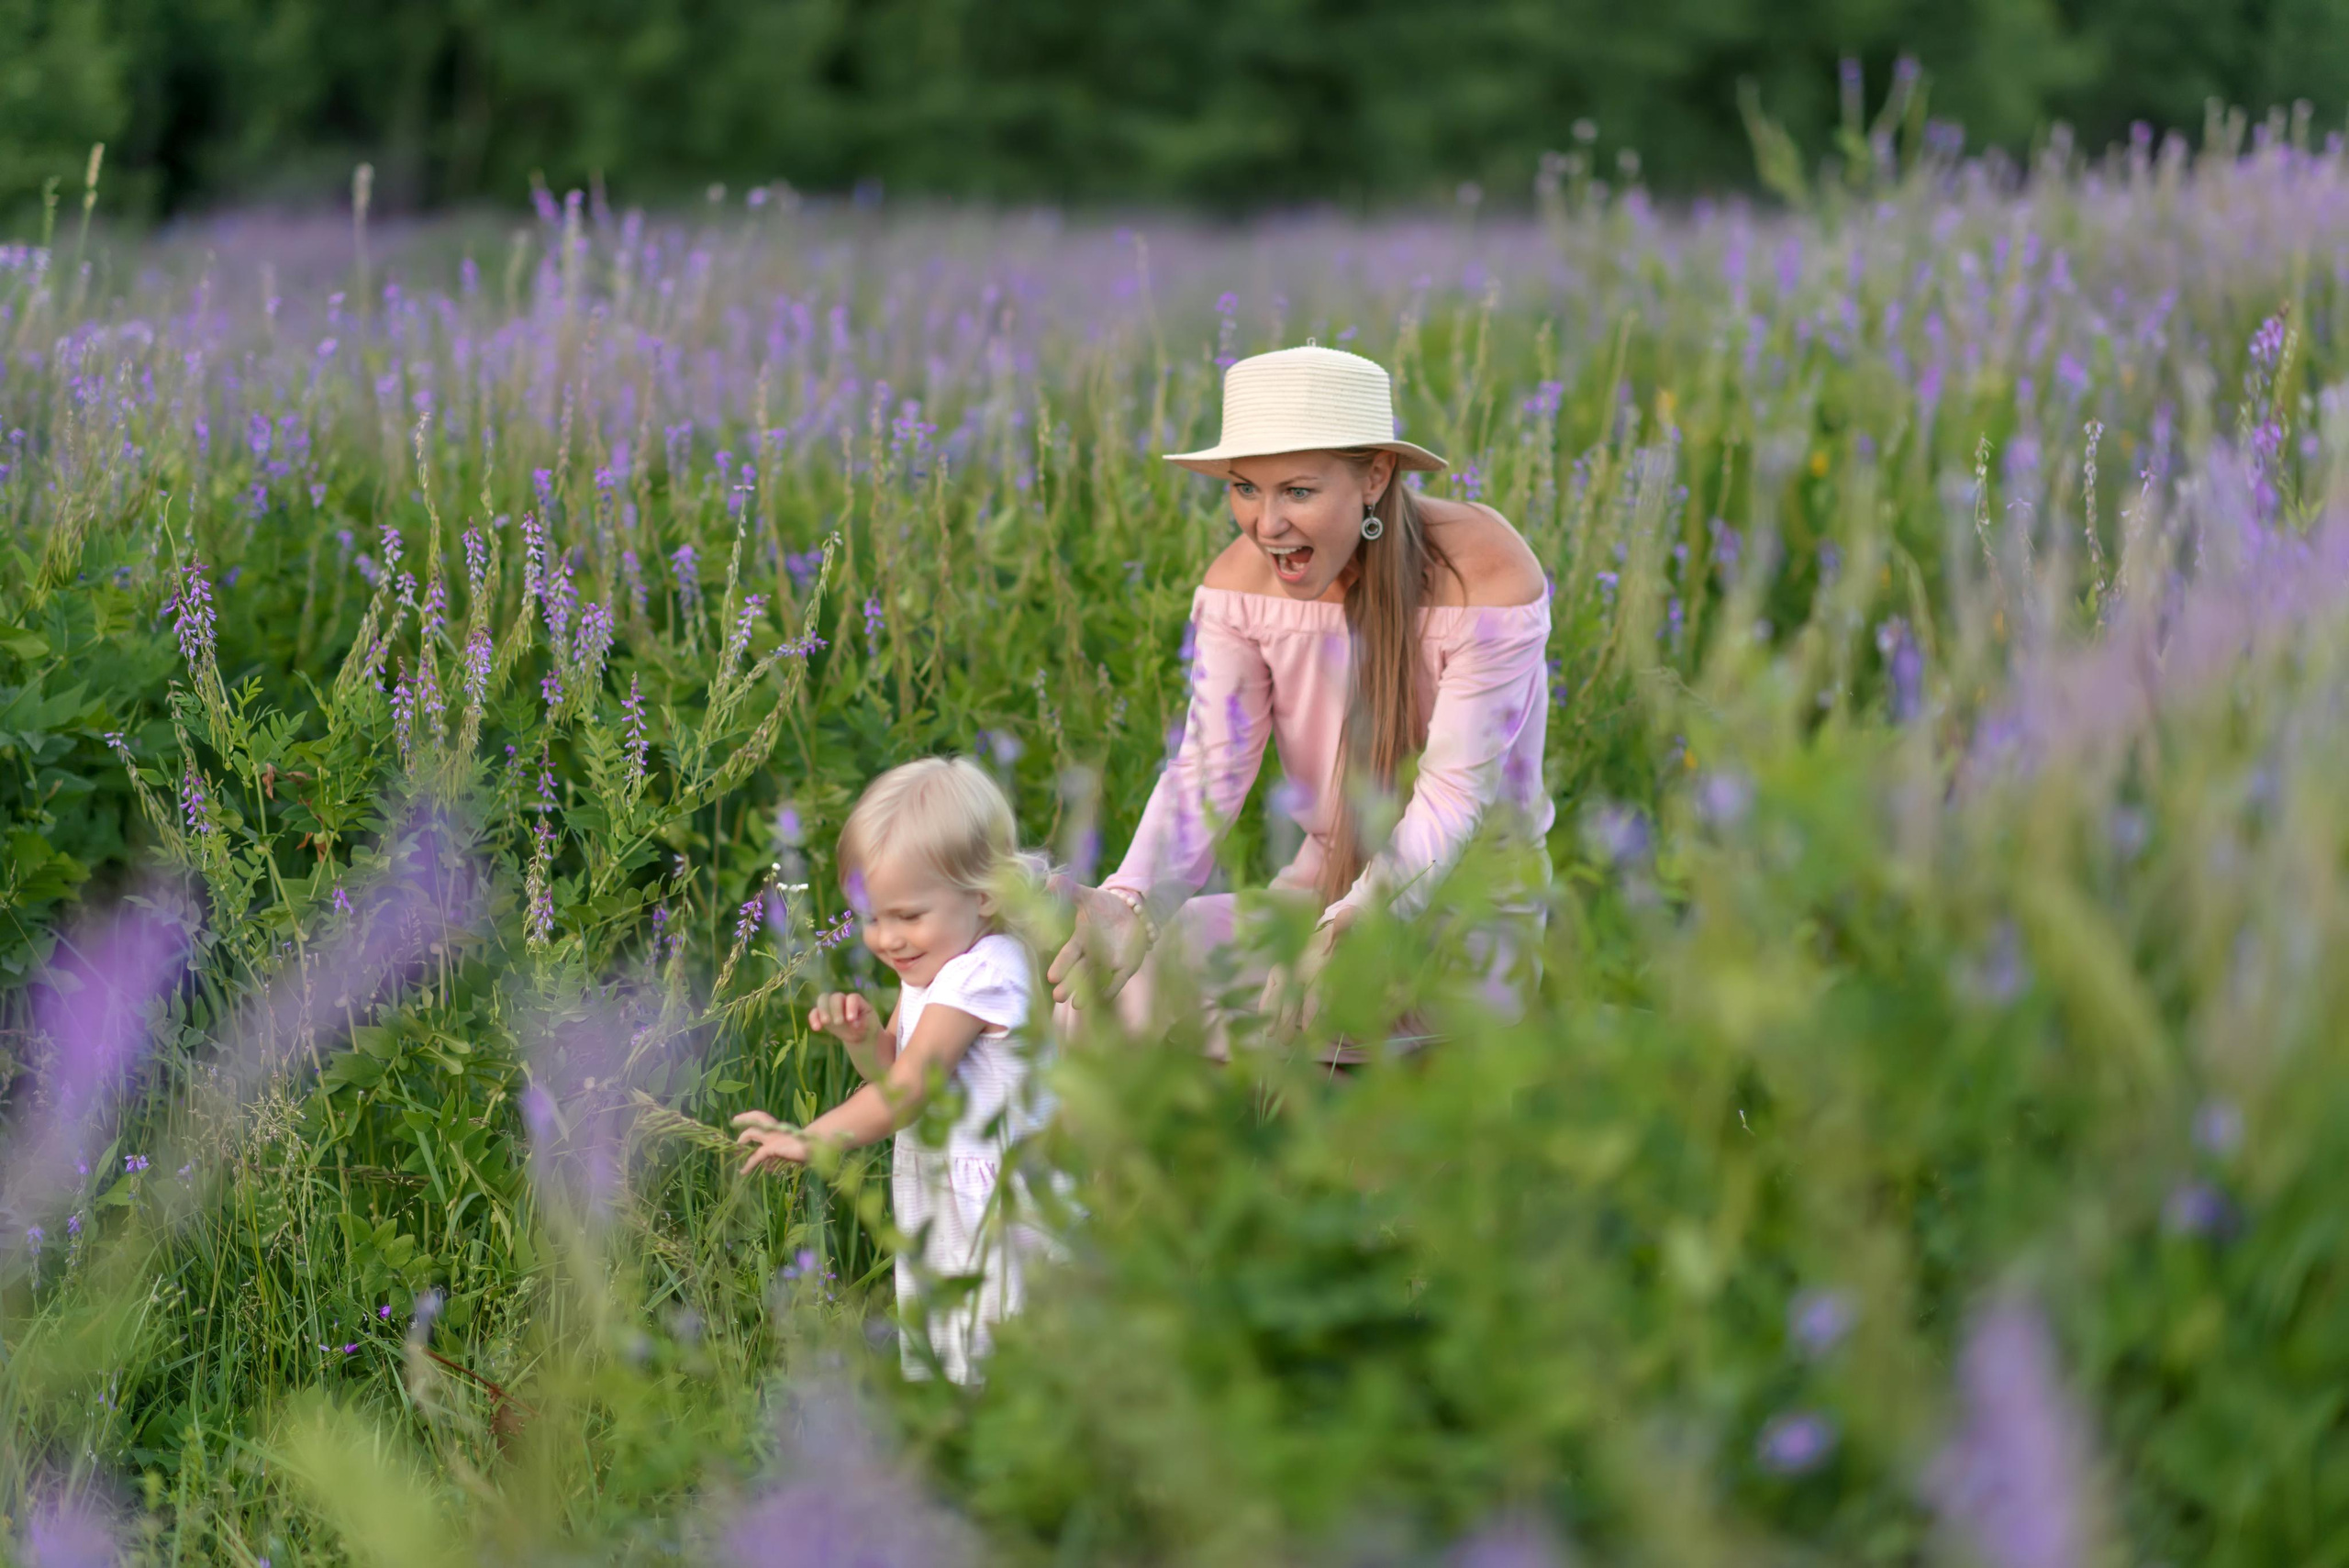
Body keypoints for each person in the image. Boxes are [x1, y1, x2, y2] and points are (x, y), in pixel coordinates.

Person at [1047, 343, 1553, 1062]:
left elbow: (1451, 794)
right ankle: (1088, 1140)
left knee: (1327, 1004)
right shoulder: (1240, 588)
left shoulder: (1485, 576)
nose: (1266, 524)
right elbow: (1208, 771)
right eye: (1245, 488)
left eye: (1297, 491)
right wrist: (1132, 897)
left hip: (1462, 914)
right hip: (1316, 897)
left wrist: (1363, 919)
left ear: (1375, 476)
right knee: (1129, 969)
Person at [735, 757, 1054, 1384]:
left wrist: (811, 1137)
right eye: (873, 918)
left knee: (1005, 1365)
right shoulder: (935, 968)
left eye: (908, 916)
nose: (888, 939)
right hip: (950, 1196)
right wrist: (864, 1042)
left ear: (984, 894)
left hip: (998, 1209)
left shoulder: (985, 972)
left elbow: (908, 1093)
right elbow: (893, 1073)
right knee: (952, 1356)